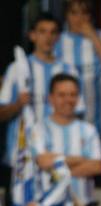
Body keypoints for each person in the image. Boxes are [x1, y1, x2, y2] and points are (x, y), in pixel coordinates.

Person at [0, 13, 80, 175]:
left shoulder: (69, 70)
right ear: (32, 35)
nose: (48, 37)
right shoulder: (17, 69)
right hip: (22, 155)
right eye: (42, 31)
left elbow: (78, 113)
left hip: (58, 153)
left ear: (58, 37)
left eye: (53, 32)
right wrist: (18, 104)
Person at [33, 73, 101, 206]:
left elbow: (97, 166)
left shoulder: (89, 130)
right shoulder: (39, 128)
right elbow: (43, 161)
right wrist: (81, 159)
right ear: (51, 98)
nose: (68, 99)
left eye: (73, 94)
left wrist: (59, 170)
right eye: (62, 95)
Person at [56, 0, 101, 143]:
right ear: (66, 16)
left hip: (100, 125)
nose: (80, 18)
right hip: (66, 126)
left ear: (90, 16)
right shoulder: (59, 41)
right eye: (74, 13)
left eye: (84, 13)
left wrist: (92, 36)